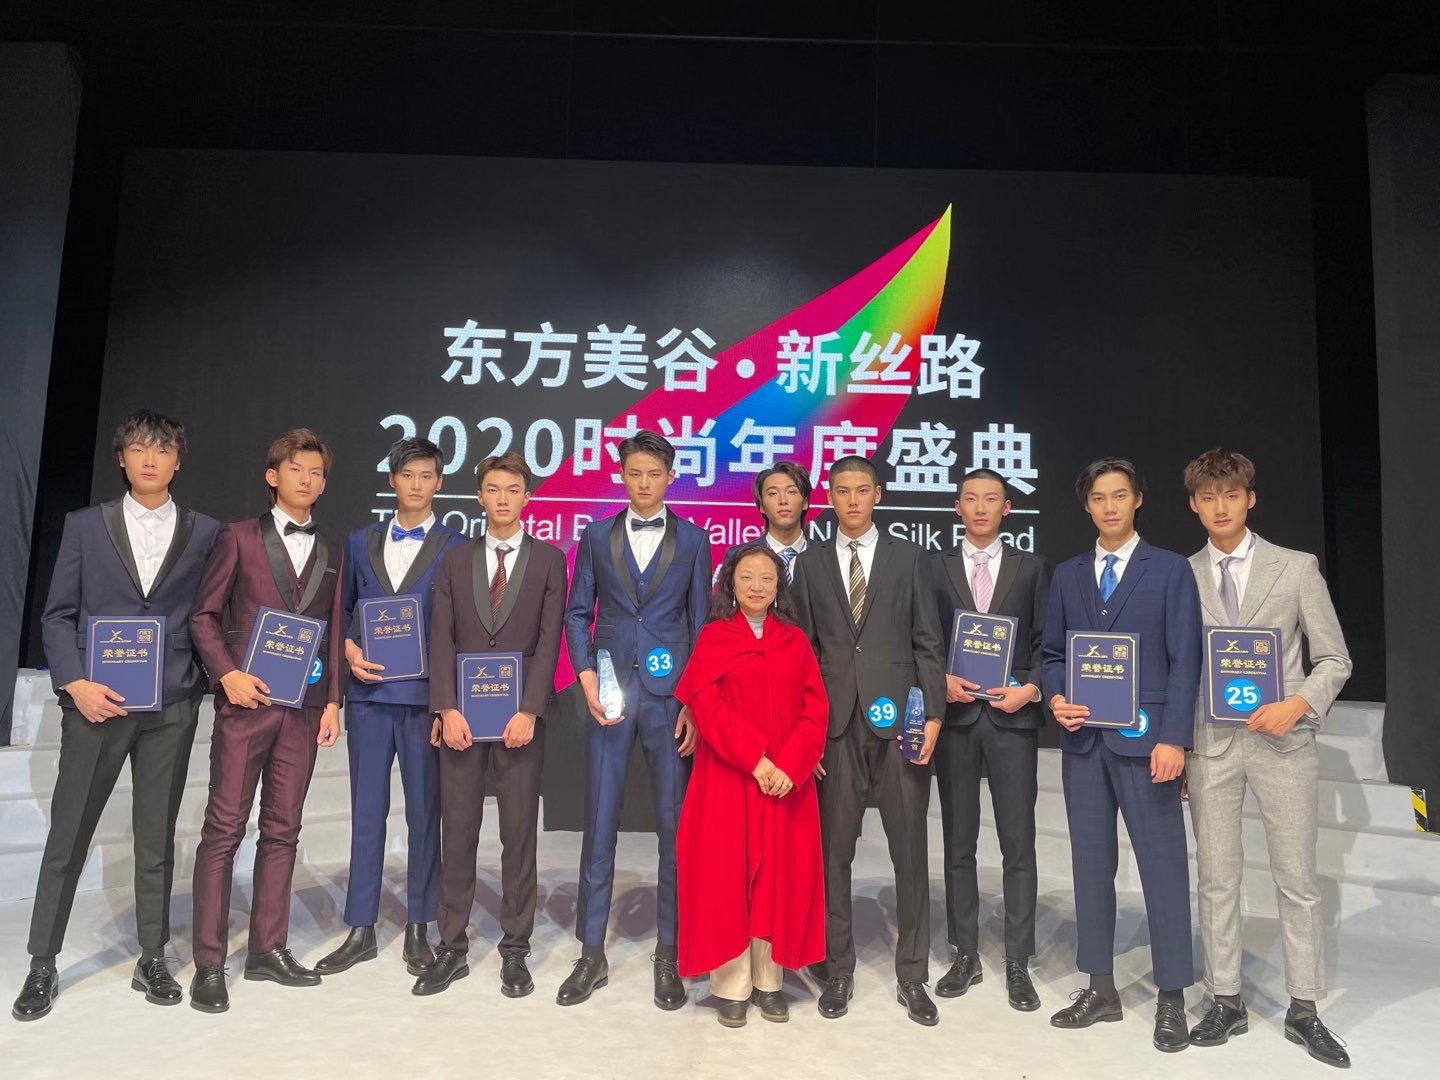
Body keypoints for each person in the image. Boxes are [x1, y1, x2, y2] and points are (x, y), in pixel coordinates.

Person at [13, 411, 221, 1022]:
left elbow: (208, 615)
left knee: (156, 837)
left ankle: (152, 956)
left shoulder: (205, 531)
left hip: (171, 704)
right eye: (138, 448)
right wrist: (75, 683)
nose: (150, 459)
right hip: (95, 705)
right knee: (68, 835)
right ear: (122, 458)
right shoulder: (85, 525)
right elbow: (57, 615)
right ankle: (42, 963)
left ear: (178, 460)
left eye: (162, 449)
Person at [1182, 449, 1353, 1069]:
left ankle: (1304, 1008)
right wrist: (1178, 742)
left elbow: (1335, 658)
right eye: (1208, 497)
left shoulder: (1296, 567)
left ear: (1250, 499)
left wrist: (1298, 703)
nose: (1220, 507)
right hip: (1211, 745)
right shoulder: (1182, 575)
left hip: (1284, 742)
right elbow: (1180, 667)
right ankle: (1224, 998)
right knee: (1217, 877)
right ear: (1194, 505)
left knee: (1297, 880)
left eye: (1231, 495)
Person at [1041, 458, 1201, 1053]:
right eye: (1098, 498)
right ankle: (1100, 987)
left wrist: (1175, 738)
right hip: (1084, 743)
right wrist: (1056, 697)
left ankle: (1172, 995)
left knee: (1164, 869)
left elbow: (1186, 659)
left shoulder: (1171, 569)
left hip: (1148, 742)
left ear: (1138, 500)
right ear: (1086, 506)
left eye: (1119, 495)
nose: (1109, 506)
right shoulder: (1068, 574)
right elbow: (1052, 654)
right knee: (1090, 868)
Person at [187, 428, 344, 1013]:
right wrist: (226, 673)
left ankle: (266, 949)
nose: (307, 479)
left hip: (303, 710)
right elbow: (203, 616)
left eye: (317, 472)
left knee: (283, 829)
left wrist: (333, 700)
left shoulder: (331, 552)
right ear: (272, 476)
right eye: (296, 469)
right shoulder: (237, 537)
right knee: (224, 829)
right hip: (245, 704)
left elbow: (333, 629)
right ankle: (209, 962)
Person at [790, 455, 946, 1026]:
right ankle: (838, 970)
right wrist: (807, 733)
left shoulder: (910, 557)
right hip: (834, 727)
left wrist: (933, 715)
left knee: (909, 851)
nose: (852, 500)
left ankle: (913, 975)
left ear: (878, 494)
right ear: (828, 497)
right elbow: (803, 652)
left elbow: (929, 642)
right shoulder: (810, 563)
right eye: (841, 491)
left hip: (902, 723)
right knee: (834, 853)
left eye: (861, 490)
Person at [560, 429, 710, 1010]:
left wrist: (694, 701)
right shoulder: (596, 535)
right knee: (599, 821)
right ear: (621, 476)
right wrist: (585, 675)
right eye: (634, 473)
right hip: (610, 693)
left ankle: (669, 953)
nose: (644, 483)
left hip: (671, 702)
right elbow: (578, 613)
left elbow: (701, 625)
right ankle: (591, 951)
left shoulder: (694, 539)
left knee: (675, 828)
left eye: (654, 474)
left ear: (670, 477)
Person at [414, 451, 567, 999]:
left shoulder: (550, 559)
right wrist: (444, 707)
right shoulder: (455, 559)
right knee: (457, 831)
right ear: (479, 496)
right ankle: (451, 946)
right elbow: (441, 634)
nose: (503, 498)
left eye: (513, 489)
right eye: (494, 489)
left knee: (518, 834)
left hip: (520, 719)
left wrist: (530, 709)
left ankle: (515, 948)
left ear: (527, 497)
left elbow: (550, 639)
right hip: (462, 717)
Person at [314, 438, 465, 978]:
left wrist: (448, 704)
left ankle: (420, 924)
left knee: (425, 815)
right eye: (408, 475)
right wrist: (349, 650)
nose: (417, 485)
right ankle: (361, 927)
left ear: (439, 483)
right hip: (370, 698)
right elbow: (344, 611)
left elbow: (461, 628)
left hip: (425, 701)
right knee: (366, 812)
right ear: (392, 481)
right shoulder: (361, 541)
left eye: (427, 476)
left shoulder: (457, 546)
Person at [674, 544, 828, 1028]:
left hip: (783, 782)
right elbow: (705, 704)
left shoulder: (795, 641)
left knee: (777, 877)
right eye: (747, 577)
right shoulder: (714, 637)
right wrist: (754, 760)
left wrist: (790, 766)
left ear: (779, 585)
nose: (757, 586)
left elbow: (815, 709)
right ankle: (732, 985)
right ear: (730, 584)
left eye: (766, 578)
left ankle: (770, 980)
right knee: (727, 877)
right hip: (728, 776)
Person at [931, 468, 1051, 1012]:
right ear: (958, 507)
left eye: (991, 499)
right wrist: (939, 680)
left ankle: (1018, 960)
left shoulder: (1033, 567)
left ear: (1007, 508)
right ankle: (965, 954)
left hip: (1011, 719)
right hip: (956, 720)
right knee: (958, 843)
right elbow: (923, 637)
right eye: (971, 499)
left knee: (1017, 843)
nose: (980, 508)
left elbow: (1049, 643)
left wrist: (1031, 688)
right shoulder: (934, 566)